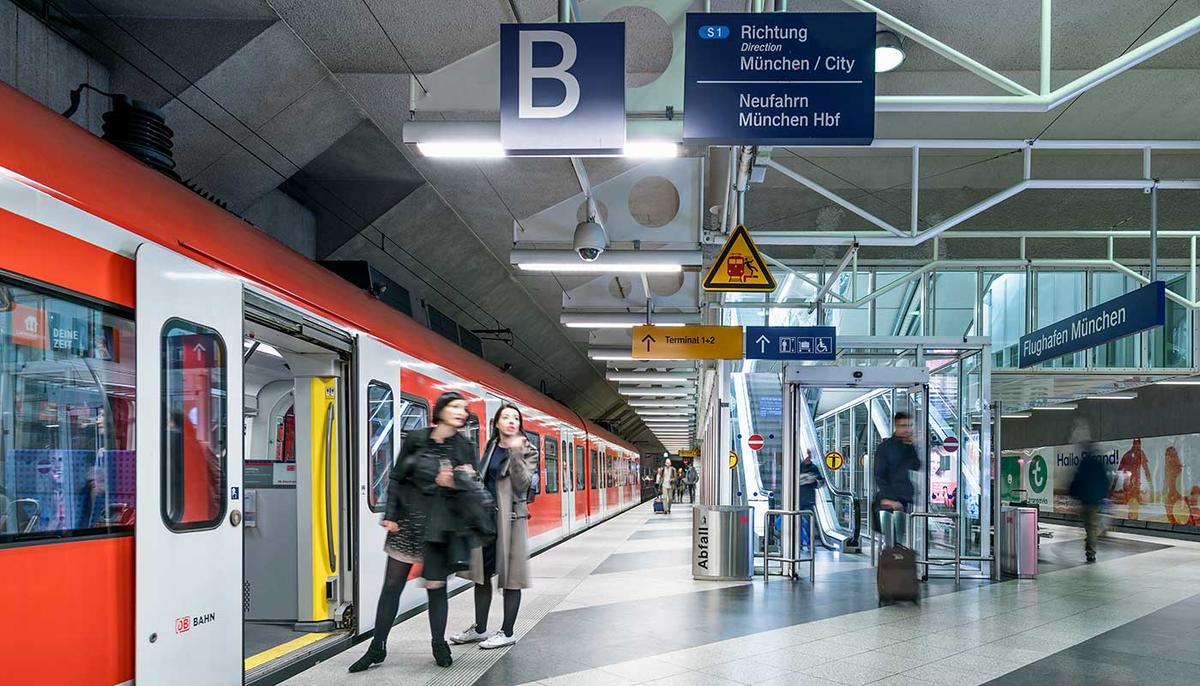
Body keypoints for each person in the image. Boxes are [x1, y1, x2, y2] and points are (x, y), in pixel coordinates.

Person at [350, 392, 477, 673]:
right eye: (455, 407)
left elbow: (474, 487)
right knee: (392, 586)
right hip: (408, 524)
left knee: (436, 588)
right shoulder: (417, 438)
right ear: (441, 410)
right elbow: (396, 477)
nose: (461, 412)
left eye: (464, 409)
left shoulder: (465, 447)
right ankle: (377, 647)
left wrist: (455, 481)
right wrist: (391, 515)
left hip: (440, 529)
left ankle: (438, 645)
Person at [451, 403, 538, 650]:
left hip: (510, 521)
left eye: (516, 418)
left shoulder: (528, 450)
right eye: (506, 417)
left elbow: (522, 484)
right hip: (485, 520)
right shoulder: (490, 447)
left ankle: (507, 631)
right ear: (496, 423)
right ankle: (479, 629)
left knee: (512, 579)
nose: (511, 421)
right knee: (480, 576)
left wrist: (515, 453)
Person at [874, 412, 921, 547]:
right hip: (889, 500)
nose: (906, 429)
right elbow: (879, 474)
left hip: (904, 499)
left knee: (899, 540)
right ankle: (890, 564)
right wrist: (890, 499)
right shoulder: (885, 448)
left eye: (909, 426)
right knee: (891, 540)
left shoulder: (908, 447)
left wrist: (912, 446)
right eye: (903, 426)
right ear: (896, 426)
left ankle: (895, 564)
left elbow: (916, 465)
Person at [1070, 441, 1109, 563]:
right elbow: (1105, 482)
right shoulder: (1099, 464)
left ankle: (1090, 551)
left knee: (1089, 527)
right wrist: (1101, 497)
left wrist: (1074, 495)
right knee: (1091, 527)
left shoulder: (1084, 464)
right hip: (1094, 501)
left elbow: (1077, 481)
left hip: (1085, 501)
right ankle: (1090, 550)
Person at [797, 449, 825, 549]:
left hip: (809, 499)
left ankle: (809, 542)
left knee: (808, 522)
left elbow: (821, 482)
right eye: (806, 456)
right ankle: (798, 542)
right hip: (797, 499)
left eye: (809, 456)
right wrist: (802, 480)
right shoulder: (797, 467)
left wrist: (813, 481)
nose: (808, 458)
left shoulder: (814, 468)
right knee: (797, 523)